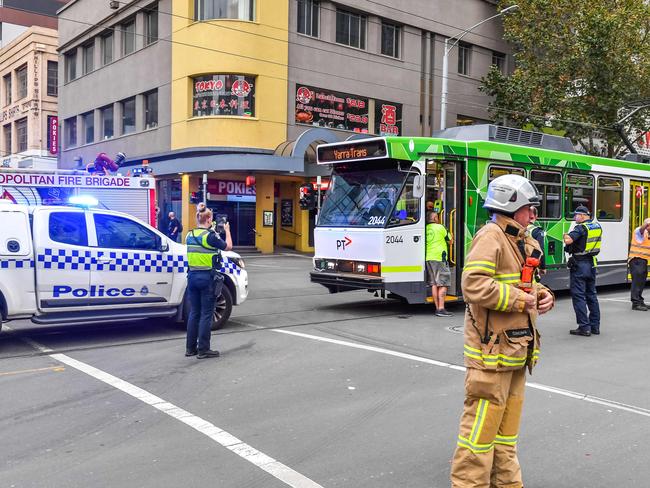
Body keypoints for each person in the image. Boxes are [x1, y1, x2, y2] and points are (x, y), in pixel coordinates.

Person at [450, 174, 554, 488]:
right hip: (491, 356)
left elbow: (524, 283)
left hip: (516, 353)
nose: (534, 214)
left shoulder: (523, 240)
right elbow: (474, 285)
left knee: (506, 435)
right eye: (529, 208)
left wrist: (542, 293)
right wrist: (525, 300)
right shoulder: (491, 236)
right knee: (479, 436)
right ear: (509, 206)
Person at [185, 203, 233, 359]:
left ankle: (190, 348)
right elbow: (228, 247)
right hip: (207, 278)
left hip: (192, 277)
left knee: (194, 313)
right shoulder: (210, 236)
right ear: (209, 219)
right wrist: (227, 231)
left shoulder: (189, 235)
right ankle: (203, 349)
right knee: (207, 314)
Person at [563, 205, 602, 336]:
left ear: (583, 216)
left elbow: (569, 241)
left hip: (579, 265)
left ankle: (584, 327)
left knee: (579, 296)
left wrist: (564, 235)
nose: (574, 217)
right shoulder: (596, 226)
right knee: (592, 295)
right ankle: (595, 326)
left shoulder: (580, 228)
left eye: (576, 215)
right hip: (591, 264)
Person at [425, 211, 453, 317]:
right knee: (443, 283)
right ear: (436, 218)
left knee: (434, 284)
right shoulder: (441, 228)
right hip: (440, 258)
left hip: (429, 258)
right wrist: (452, 235)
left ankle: (437, 308)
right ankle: (441, 308)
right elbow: (450, 241)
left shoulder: (426, 228)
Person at [628, 218, 650, 311]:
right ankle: (636, 303)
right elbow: (641, 229)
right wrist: (646, 224)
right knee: (637, 282)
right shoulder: (639, 231)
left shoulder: (648, 234)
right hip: (636, 260)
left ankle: (640, 301)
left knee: (641, 282)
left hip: (643, 261)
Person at [527, 206, 546, 275]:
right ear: (536, 217)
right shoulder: (537, 231)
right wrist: (542, 267)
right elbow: (540, 249)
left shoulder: (517, 228)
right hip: (531, 265)